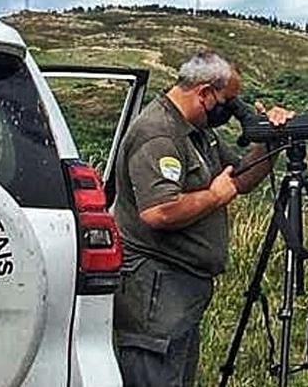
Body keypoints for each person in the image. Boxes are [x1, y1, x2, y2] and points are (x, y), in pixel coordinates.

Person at [112, 50, 294, 386]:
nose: (230, 110)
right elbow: (159, 211)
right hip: (156, 294)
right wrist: (215, 196)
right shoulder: (159, 134)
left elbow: (238, 177)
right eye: (229, 101)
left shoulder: (196, 130)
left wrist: (272, 140)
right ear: (205, 92)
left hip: (180, 293)